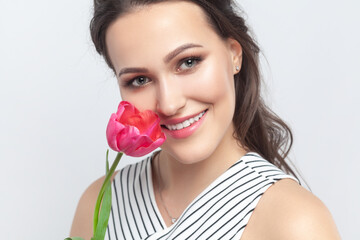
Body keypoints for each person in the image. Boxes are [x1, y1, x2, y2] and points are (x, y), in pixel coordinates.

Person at [70, 0, 341, 239]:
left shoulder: (295, 223)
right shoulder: (99, 201)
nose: (169, 103)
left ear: (234, 54)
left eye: (188, 62)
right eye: (139, 80)